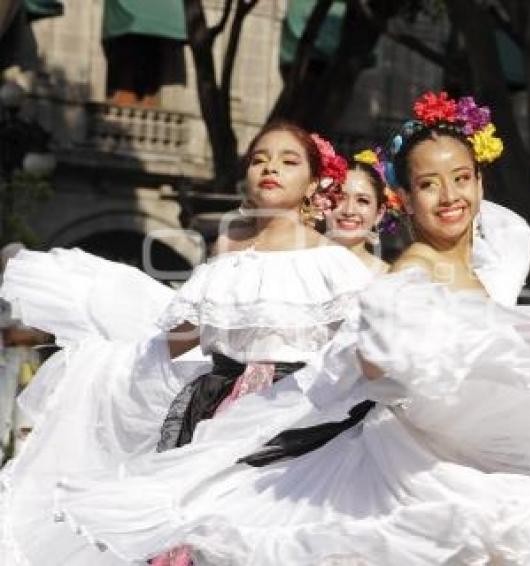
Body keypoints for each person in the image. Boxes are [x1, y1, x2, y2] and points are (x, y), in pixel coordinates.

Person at [46, 93, 530, 565]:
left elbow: (505, 250)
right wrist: (403, 353)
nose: (452, 195)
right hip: (413, 459)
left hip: (475, 445)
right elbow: (385, 369)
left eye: (463, 177)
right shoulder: (408, 273)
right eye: (429, 184)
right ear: (403, 200)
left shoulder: (478, 261)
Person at [0, 121, 376, 565]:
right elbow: (178, 344)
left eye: (288, 161)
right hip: (214, 408)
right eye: (259, 159)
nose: (271, 167)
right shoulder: (230, 256)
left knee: (268, 536)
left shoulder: (333, 264)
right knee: (196, 529)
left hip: (300, 419)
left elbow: (361, 352)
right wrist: (109, 354)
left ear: (313, 182)